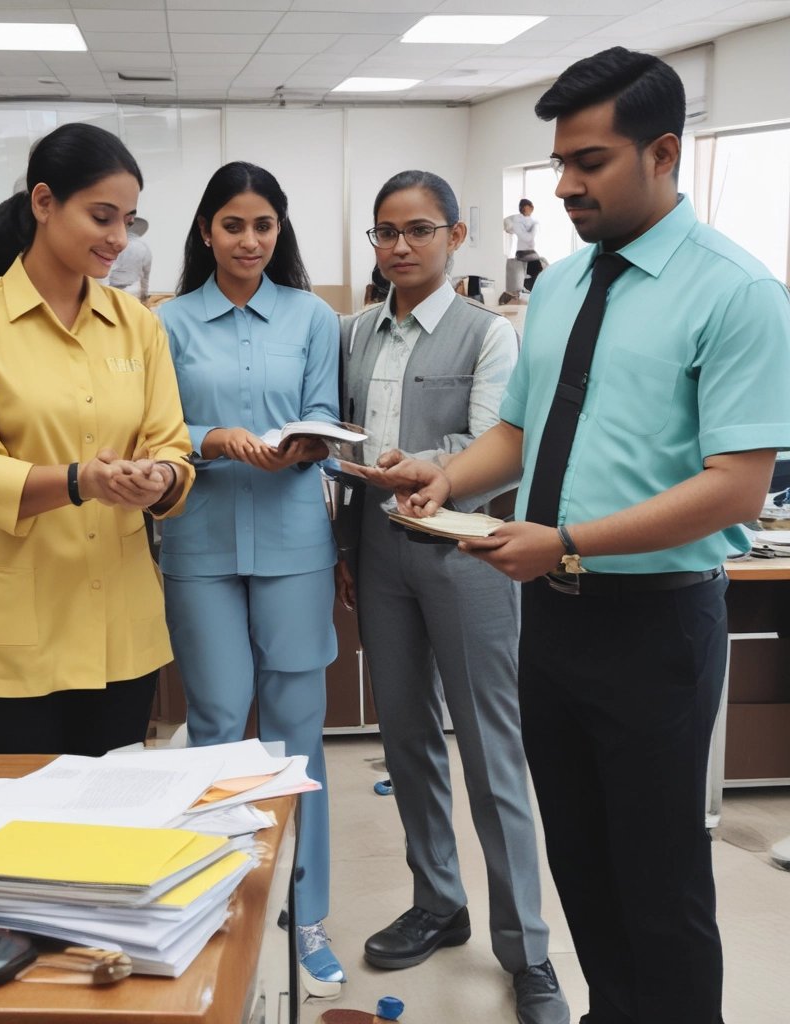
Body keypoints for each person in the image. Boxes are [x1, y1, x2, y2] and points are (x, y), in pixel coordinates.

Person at [359, 47, 790, 1024]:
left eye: (588, 161)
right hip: (550, 623)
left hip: (655, 625)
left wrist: (567, 542)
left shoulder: (736, 293)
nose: (562, 185)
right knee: (583, 862)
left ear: (663, 152)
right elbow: (518, 431)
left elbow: (735, 487)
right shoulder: (556, 287)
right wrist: (445, 474)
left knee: (660, 882)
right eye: (559, 160)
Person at [339, 169, 569, 1024]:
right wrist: (345, 547)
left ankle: (529, 952)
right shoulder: (355, 331)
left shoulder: (488, 334)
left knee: (490, 752)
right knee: (406, 743)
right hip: (381, 554)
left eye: (419, 231)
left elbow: (493, 442)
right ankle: (439, 900)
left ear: (457, 236)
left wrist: (424, 464)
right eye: (385, 233)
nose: (400, 247)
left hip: (464, 556)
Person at [0, 123, 193, 756]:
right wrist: (81, 481)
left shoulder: (138, 325)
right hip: (13, 631)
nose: (119, 239)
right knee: (17, 842)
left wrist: (160, 480)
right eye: (102, 217)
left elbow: (173, 448)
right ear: (44, 203)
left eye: (129, 219)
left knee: (110, 833)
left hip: (119, 631)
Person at [155, 161, 344, 996]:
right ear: (206, 232)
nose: (248, 240)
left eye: (263, 225)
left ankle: (307, 916)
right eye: (233, 225)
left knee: (298, 733)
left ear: (280, 232)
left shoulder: (313, 316)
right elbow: (156, 426)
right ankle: (220, 900)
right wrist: (212, 436)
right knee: (220, 722)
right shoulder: (167, 323)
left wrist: (307, 442)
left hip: (294, 538)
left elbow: (325, 413)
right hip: (198, 540)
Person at [107, 215, 152, 302]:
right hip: (133, 291)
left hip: (112, 291)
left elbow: (107, 272)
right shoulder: (144, 247)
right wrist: (144, 296)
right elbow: (146, 276)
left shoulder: (116, 245)